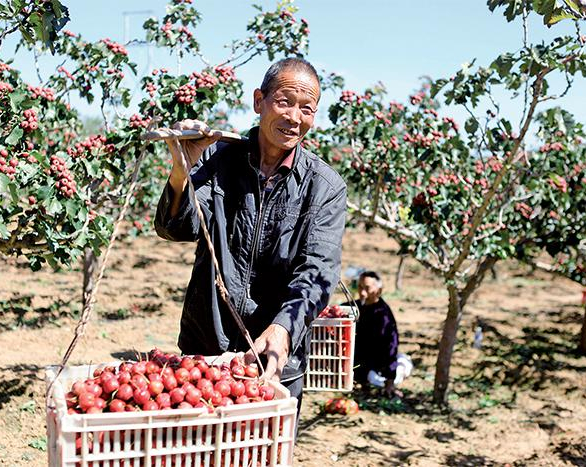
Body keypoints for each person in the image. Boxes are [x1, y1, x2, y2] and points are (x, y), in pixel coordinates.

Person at [154, 57, 347, 408]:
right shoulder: (217, 158)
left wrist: (284, 328)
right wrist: (181, 170)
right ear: (259, 101)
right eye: (284, 102)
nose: (294, 117)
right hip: (206, 353)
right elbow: (176, 228)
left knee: (266, 441)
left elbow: (318, 271)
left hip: (274, 361)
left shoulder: (324, 187)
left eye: (306, 108)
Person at [353, 270, 404, 398]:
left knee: (375, 379)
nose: (362, 292)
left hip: (376, 366)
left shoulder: (384, 316)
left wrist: (389, 381)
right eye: (360, 287)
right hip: (356, 363)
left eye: (367, 288)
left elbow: (391, 347)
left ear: (379, 290)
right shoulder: (354, 307)